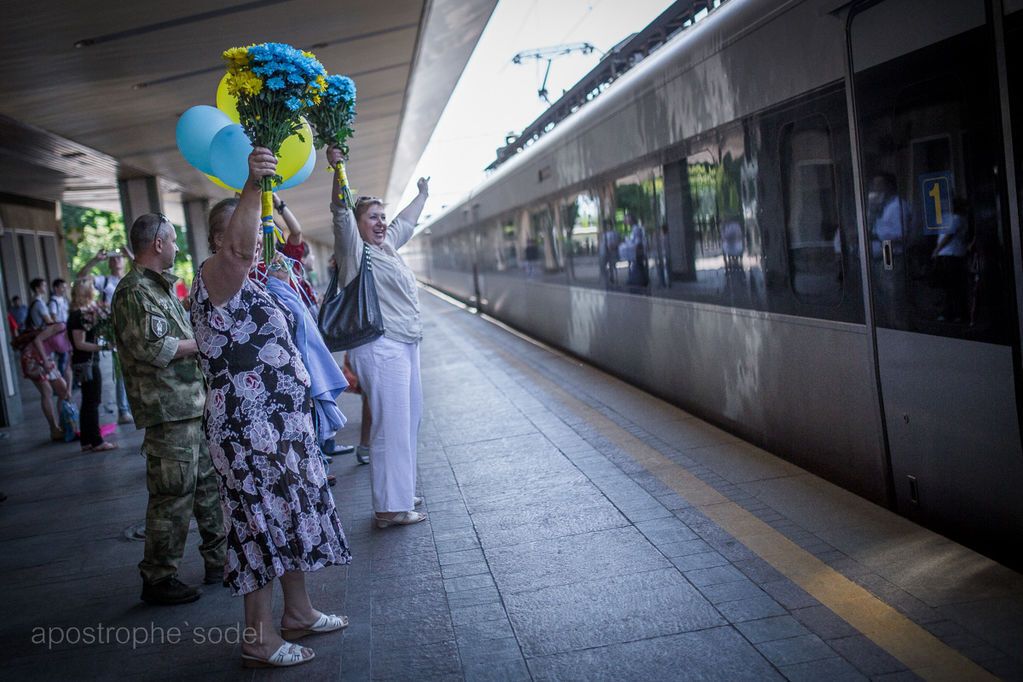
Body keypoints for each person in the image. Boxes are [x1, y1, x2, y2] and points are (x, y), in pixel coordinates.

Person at [192, 149, 351, 668]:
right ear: (222, 238)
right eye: (252, 229)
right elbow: (239, 252)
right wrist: (252, 183)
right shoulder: (216, 276)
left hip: (282, 426)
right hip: (246, 428)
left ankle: (298, 612)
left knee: (286, 514)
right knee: (257, 524)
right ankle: (258, 638)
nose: (260, 240)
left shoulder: (260, 281)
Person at [111, 214, 226, 606]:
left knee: (207, 488)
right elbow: (155, 349)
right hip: (168, 413)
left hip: (189, 408)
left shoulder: (157, 289)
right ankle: (159, 577)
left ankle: (220, 561)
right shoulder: (133, 292)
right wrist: (202, 343)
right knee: (172, 496)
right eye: (174, 241)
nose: (178, 248)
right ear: (158, 244)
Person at [328, 144, 429, 528]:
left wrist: (422, 196)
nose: (382, 222)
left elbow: (405, 222)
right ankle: (388, 507)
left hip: (405, 343)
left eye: (382, 216)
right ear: (358, 224)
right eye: (373, 217)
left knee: (408, 420)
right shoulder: (355, 251)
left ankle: (400, 493)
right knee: (391, 424)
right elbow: (340, 211)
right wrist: (339, 169)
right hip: (380, 345)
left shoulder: (386, 247)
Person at [78, 249, 133, 424]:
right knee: (121, 369)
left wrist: (130, 255)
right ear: (109, 262)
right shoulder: (105, 281)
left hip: (135, 327)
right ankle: (123, 410)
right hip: (115, 329)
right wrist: (94, 260)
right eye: (113, 258)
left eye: (120, 257)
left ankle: (135, 406)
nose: (117, 260)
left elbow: (148, 270)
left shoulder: (132, 277)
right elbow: (81, 278)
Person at [68, 279, 117, 452]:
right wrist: (104, 346)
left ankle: (87, 440)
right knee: (93, 400)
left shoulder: (80, 313)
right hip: (87, 362)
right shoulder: (79, 315)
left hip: (83, 361)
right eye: (92, 288)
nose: (95, 291)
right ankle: (96, 441)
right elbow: (79, 343)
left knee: (88, 400)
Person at [15, 322, 72, 441]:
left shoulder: (77, 340)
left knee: (63, 391)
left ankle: (64, 425)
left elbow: (68, 368)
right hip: (31, 355)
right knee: (47, 391)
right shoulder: (61, 327)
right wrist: (45, 362)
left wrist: (70, 389)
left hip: (46, 357)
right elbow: (37, 340)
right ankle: (54, 429)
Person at [48, 279, 72, 387]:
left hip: (66, 332)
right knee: (63, 358)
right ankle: (61, 384)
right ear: (56, 288)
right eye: (62, 287)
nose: (64, 289)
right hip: (59, 333)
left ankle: (68, 381)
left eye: (65, 286)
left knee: (67, 358)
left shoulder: (64, 300)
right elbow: (53, 318)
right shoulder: (53, 301)